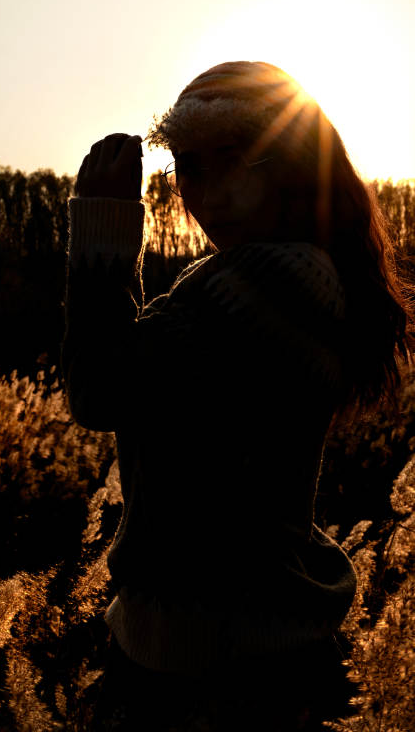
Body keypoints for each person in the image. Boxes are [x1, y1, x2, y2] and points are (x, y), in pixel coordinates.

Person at [61, 61, 414, 730]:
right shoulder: (279, 274)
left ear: (282, 166)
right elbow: (135, 383)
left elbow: (99, 387)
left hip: (221, 680)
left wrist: (103, 226)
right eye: (188, 165)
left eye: (231, 161)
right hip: (234, 660)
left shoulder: (270, 281)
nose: (203, 190)